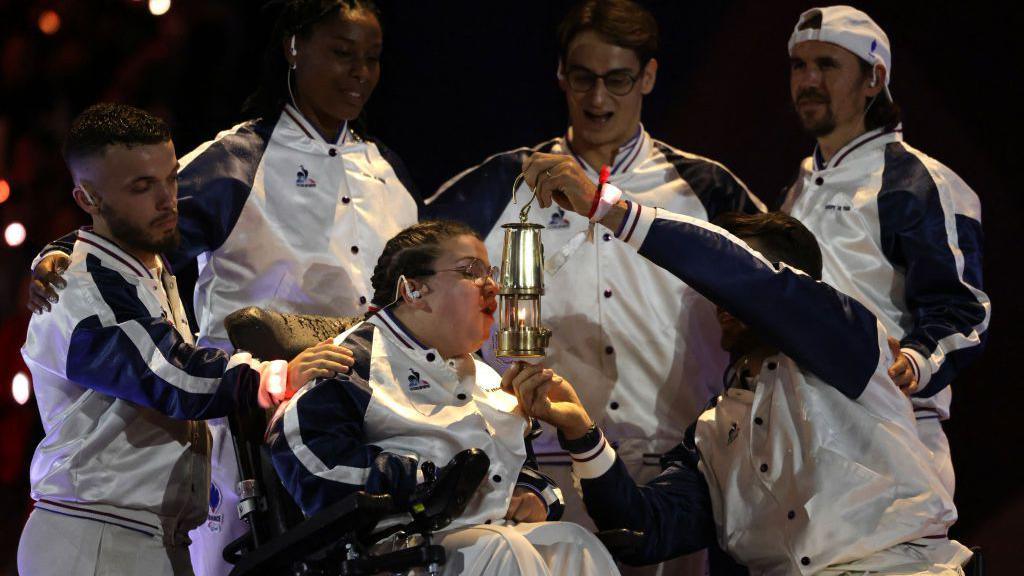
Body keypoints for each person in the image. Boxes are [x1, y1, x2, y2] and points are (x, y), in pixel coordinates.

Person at [27, 2, 421, 572]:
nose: (360, 71)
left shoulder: (388, 170)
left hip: (350, 436)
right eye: (341, 53)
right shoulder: (236, 162)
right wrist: (54, 255)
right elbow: (114, 254)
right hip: (244, 446)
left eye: (373, 58)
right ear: (293, 47)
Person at [504, 160, 970, 572]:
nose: (722, 296)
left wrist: (610, 209)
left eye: (739, 277)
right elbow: (644, 531)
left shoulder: (846, 339)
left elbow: (746, 280)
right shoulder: (712, 430)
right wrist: (581, 432)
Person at [425, 6, 763, 572]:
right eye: (583, 77)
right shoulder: (501, 185)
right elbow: (409, 296)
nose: (598, 99)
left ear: (649, 77)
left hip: (675, 471)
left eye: (618, 80)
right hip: (537, 472)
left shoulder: (706, 188)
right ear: (560, 74)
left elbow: (774, 303)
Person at [18, 103, 353, 576]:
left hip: (148, 536)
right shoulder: (82, 287)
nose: (168, 199)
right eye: (142, 187)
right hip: (95, 539)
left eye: (171, 179)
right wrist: (277, 375)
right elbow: (170, 375)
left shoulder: (146, 265)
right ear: (88, 198)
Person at [269, 220, 620, 576]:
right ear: (414, 290)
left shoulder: (485, 374)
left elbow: (520, 465)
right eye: (472, 272)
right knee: (505, 551)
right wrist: (423, 478)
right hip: (393, 550)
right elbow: (305, 453)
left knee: (575, 544)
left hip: (486, 537)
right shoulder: (355, 359)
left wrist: (532, 495)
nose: (493, 287)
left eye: (491, 273)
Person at [779, 6, 989, 494]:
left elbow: (964, 310)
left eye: (827, 65)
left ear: (874, 79)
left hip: (893, 435)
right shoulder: (799, 185)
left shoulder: (922, 182)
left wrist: (914, 362)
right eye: (798, 65)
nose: (808, 80)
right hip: (802, 434)